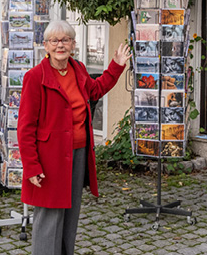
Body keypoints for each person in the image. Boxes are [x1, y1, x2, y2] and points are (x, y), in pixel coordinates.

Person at [18, 20, 131, 255]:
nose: (61, 45)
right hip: (50, 158)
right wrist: (31, 166)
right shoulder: (35, 77)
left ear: (73, 44)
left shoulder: (77, 68)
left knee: (70, 216)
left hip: (77, 153)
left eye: (66, 40)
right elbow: (26, 127)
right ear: (46, 46)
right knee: (49, 218)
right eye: (55, 41)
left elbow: (96, 90)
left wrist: (116, 66)